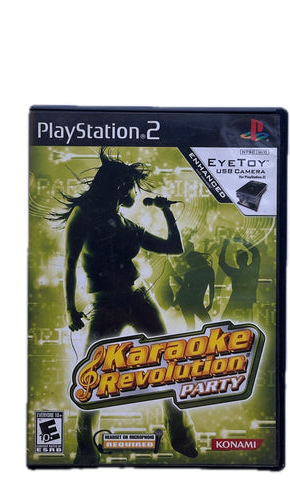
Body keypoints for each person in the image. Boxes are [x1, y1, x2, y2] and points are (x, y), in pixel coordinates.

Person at [49, 148, 198, 464]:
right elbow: (70, 262)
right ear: (119, 187)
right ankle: (85, 446)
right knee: (94, 376)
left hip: (140, 299)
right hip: (106, 305)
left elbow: (174, 247)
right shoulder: (84, 214)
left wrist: (166, 212)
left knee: (168, 365)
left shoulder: (126, 225)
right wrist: (69, 309)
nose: (135, 193)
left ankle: (181, 435)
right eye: (131, 187)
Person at [219, 237, 261, 322]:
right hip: (248, 300)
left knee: (226, 323)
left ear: (237, 260)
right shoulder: (253, 270)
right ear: (247, 258)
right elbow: (256, 252)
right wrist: (242, 241)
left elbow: (221, 262)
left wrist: (225, 246)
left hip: (235, 301)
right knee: (246, 324)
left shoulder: (235, 273)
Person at [173, 252, 215, 329]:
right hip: (191, 302)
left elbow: (184, 287)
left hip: (189, 302)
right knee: (206, 325)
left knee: (193, 326)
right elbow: (211, 288)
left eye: (190, 261)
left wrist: (177, 301)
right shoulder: (209, 270)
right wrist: (210, 303)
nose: (189, 263)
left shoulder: (192, 271)